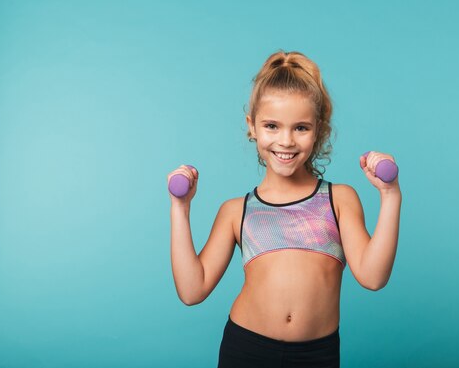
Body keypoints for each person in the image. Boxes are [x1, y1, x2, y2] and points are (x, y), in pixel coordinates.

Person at [167, 50, 402, 368]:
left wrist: (390, 196)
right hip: (246, 350)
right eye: (272, 126)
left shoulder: (339, 200)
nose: (286, 140)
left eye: (301, 128)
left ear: (319, 129)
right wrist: (180, 208)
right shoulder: (237, 211)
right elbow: (192, 290)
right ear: (252, 127)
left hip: (316, 356)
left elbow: (374, 278)